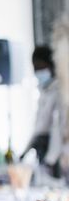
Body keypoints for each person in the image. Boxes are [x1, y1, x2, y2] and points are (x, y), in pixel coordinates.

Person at [22, 45, 63, 177]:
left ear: (50, 66)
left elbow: (58, 127)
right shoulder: (43, 91)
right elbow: (38, 126)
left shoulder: (60, 91)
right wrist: (25, 151)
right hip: (42, 148)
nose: (37, 71)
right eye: (35, 68)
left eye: (40, 67)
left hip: (55, 153)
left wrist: (50, 160)